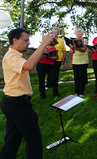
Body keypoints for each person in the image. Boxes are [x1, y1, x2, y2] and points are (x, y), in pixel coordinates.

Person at [0, 28, 53, 159]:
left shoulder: (15, 56)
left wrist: (41, 52)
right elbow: (29, 65)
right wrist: (43, 44)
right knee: (34, 139)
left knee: (12, 141)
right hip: (17, 103)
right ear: (15, 40)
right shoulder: (11, 57)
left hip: (13, 102)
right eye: (26, 40)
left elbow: (29, 63)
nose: (29, 43)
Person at [69, 27, 89, 97]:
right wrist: (72, 47)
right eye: (76, 32)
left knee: (81, 77)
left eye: (79, 32)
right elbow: (71, 52)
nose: (78, 33)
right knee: (76, 77)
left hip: (83, 60)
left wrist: (76, 48)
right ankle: (76, 92)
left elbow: (84, 49)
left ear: (82, 33)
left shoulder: (85, 40)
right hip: (75, 61)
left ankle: (81, 92)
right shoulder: (73, 41)